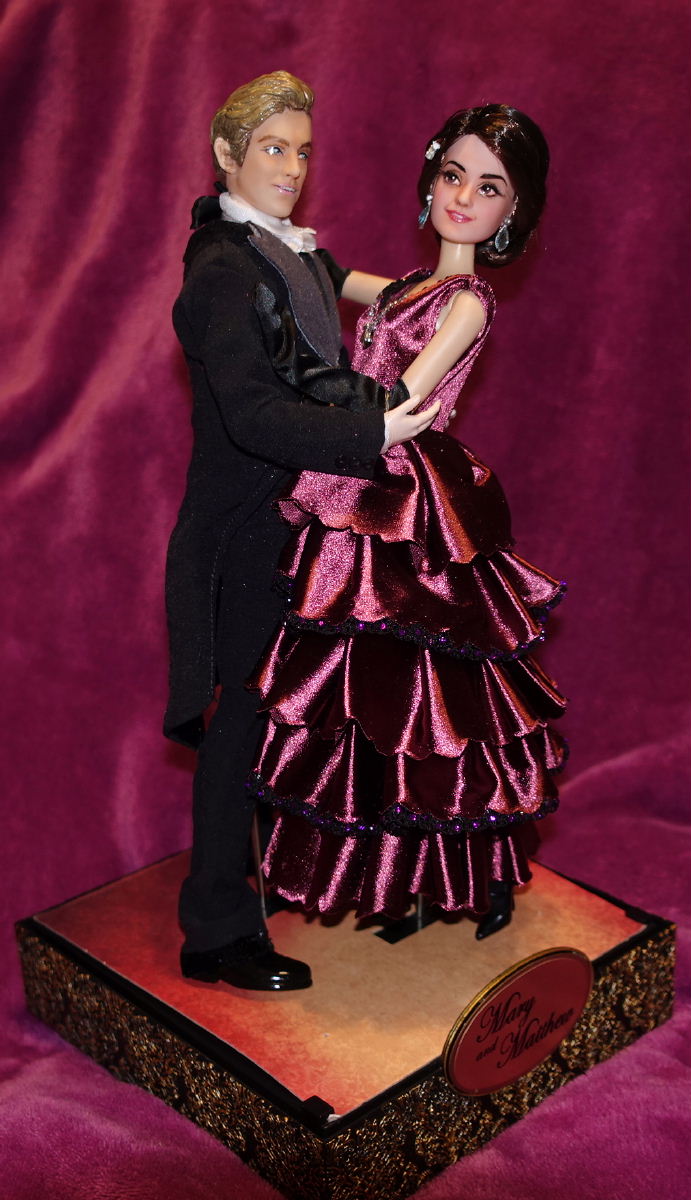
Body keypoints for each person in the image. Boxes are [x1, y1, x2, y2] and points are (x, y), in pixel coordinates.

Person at [248, 105, 567, 940]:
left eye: (488, 188)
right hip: (360, 472)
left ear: (512, 212)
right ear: (429, 180)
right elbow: (339, 277)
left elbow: (407, 394)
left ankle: (460, 875)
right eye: (453, 175)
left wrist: (313, 402)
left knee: (428, 690)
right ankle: (387, 872)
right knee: (361, 687)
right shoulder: (410, 286)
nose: (463, 197)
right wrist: (279, 244)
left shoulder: (467, 303)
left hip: (404, 490)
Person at [164, 71, 439, 992]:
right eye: (272, 149)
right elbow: (251, 415)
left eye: (302, 152)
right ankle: (213, 931)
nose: (290, 168)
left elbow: (364, 286)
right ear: (227, 155)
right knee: (239, 727)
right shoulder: (222, 271)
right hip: (247, 536)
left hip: (307, 527)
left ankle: (303, 874)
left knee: (302, 717)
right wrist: (373, 432)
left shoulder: (291, 252)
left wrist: (449, 285)